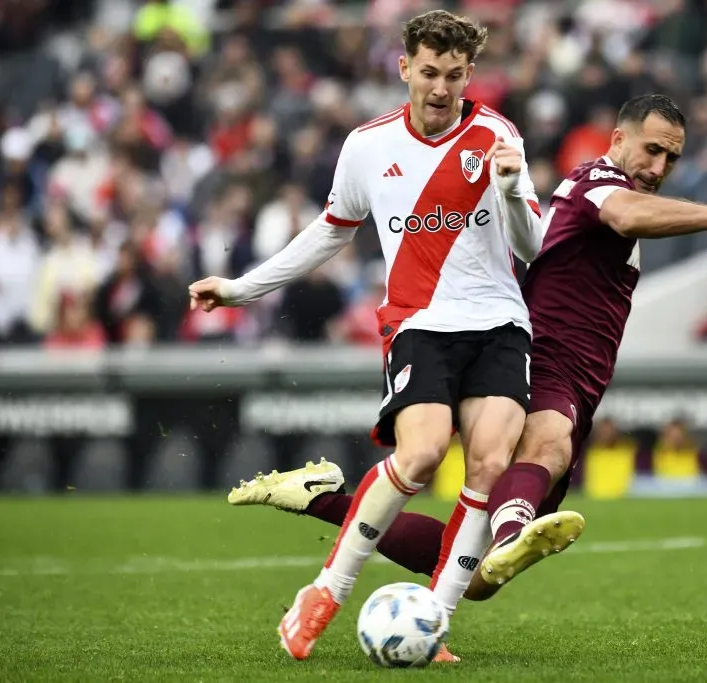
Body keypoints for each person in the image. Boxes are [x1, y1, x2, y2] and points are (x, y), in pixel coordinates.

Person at [228, 93, 707, 649]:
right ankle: (509, 531)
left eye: (672, 157)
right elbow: (630, 217)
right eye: (652, 150)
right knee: (546, 446)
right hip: (545, 357)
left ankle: (322, 498)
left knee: (478, 579)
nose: (660, 166)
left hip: (583, 381)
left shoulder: (618, 189)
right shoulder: (596, 183)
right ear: (618, 140)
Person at [188, 10, 548, 662]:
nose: (441, 87)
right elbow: (330, 231)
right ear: (405, 67)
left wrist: (514, 185)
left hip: (499, 322)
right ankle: (325, 590)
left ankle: (432, 622)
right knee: (421, 456)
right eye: (430, 72)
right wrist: (242, 288)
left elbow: (532, 245)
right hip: (418, 324)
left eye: (455, 74)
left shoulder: (497, 136)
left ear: (471, 75)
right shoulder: (368, 145)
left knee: (489, 465)